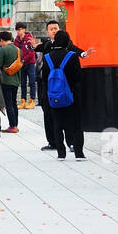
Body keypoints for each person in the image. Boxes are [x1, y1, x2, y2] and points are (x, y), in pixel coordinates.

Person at [43, 31, 86, 160]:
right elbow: (78, 77)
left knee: (57, 123)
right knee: (76, 124)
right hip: (72, 95)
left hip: (54, 96)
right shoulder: (72, 56)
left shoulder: (47, 57)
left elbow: (44, 78)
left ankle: (61, 153)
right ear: (68, 42)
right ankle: (79, 153)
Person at [34, 20, 63, 151]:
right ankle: (52, 141)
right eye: (51, 29)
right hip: (47, 83)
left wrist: (83, 54)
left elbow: (75, 51)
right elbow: (37, 47)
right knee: (48, 113)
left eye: (56, 28)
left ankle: (71, 142)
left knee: (66, 113)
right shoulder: (46, 45)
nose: (54, 31)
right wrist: (32, 47)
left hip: (62, 84)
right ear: (47, 32)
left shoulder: (66, 43)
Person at [0, 31, 21, 133]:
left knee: (8, 103)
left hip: (6, 79)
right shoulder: (18, 49)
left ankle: (12, 125)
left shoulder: (3, 49)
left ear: (2, 40)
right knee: (14, 103)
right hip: (16, 79)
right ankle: (15, 124)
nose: (0, 44)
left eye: (0, 42)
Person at [15, 23, 38, 110]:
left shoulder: (29, 38)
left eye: (20, 29)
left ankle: (32, 101)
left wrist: (23, 60)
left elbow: (31, 53)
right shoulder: (16, 40)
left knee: (32, 82)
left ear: (24, 29)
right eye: (17, 30)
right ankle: (23, 101)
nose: (19, 31)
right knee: (23, 82)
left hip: (30, 63)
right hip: (21, 64)